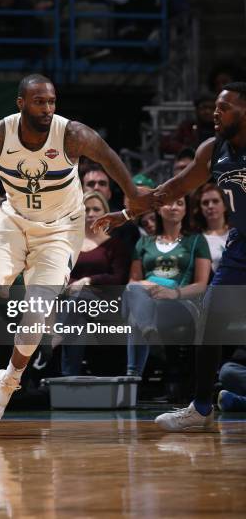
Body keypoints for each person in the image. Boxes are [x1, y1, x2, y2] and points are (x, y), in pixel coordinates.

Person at [0, 72, 155, 430]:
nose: (47, 109)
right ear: (21, 103)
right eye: (39, 102)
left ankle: (8, 383)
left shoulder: (72, 134)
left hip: (61, 229)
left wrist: (132, 196)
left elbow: (109, 158)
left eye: (51, 102)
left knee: (36, 310)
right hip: (13, 220)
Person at [93, 81, 246, 431]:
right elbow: (172, 190)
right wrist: (126, 215)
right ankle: (201, 407)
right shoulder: (213, 149)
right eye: (216, 107)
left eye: (226, 108)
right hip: (240, 247)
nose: (217, 113)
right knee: (209, 319)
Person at [125, 197, 211, 380]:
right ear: (157, 208)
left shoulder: (196, 240)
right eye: (169, 202)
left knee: (137, 314)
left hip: (182, 302)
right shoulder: (144, 242)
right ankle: (149, 332)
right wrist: (149, 286)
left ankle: (133, 376)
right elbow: (133, 282)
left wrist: (174, 293)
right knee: (136, 297)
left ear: (186, 210)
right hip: (147, 298)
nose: (173, 207)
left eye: (180, 203)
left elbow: (201, 285)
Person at [61, 190, 129, 376]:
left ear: (105, 213)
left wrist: (89, 280)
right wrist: (75, 284)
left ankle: (60, 356)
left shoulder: (115, 245)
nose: (91, 214)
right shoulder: (69, 244)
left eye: (96, 209)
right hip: (73, 302)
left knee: (76, 302)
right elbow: (61, 275)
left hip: (105, 303)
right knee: (77, 315)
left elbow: (118, 279)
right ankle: (69, 379)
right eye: (86, 209)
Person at [191, 183, 229, 273]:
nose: (210, 206)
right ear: (200, 208)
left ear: (225, 205)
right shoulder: (195, 239)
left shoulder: (239, 233)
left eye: (215, 201)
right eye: (205, 203)